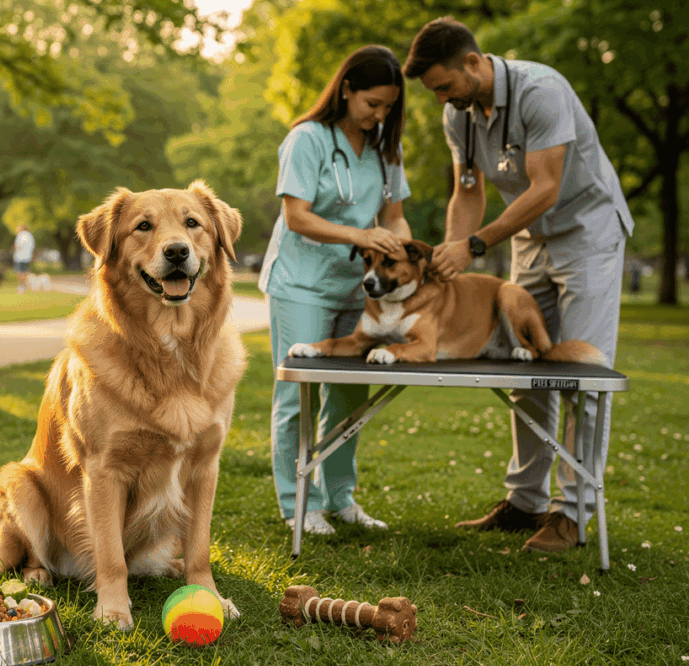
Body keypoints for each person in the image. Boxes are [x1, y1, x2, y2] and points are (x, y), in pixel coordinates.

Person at [403, 17, 633, 553]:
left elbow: (546, 187)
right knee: (524, 367)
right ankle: (525, 500)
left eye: (444, 85)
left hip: (587, 234)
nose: (440, 98)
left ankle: (571, 514)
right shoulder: (458, 116)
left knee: (582, 371)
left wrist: (476, 246)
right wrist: (452, 260)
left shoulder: (541, 91)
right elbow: (467, 190)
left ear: (473, 63)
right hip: (529, 239)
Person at [257, 45, 412, 535]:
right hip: (301, 283)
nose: (380, 115)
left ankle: (341, 498)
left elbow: (394, 216)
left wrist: (401, 253)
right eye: (372, 103)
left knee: (349, 396)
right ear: (346, 90)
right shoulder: (308, 139)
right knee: (297, 396)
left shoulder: (387, 149)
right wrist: (360, 235)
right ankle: (299, 503)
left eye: (388, 106)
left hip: (359, 288)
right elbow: (296, 216)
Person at [12, 223, 35, 293]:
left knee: (19, 272)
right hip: (27, 256)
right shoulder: (30, 236)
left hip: (19, 256)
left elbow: (16, 246)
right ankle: (26, 285)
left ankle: (22, 286)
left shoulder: (20, 235)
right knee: (25, 271)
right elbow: (32, 247)